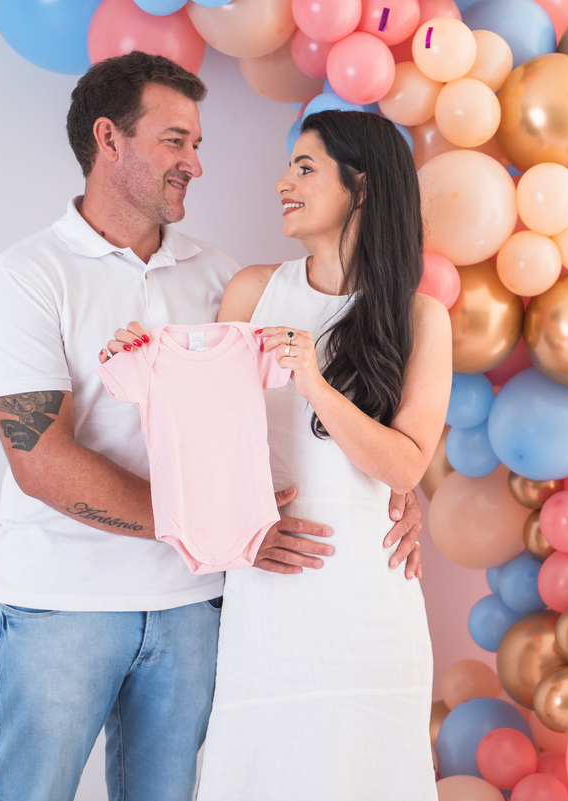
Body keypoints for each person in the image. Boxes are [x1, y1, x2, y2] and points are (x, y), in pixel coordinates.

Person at [0, 53, 422, 801]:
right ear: (109, 139)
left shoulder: (221, 278)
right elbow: (40, 461)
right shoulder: (28, 276)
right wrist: (226, 529)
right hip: (65, 602)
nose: (196, 164)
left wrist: (396, 490)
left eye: (199, 144)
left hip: (196, 606)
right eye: (175, 141)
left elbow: (287, 420)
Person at [104, 110, 451, 798]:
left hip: (371, 604)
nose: (282, 184)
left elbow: (406, 465)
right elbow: (204, 442)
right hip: (270, 604)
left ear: (362, 187)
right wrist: (145, 366)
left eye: (305, 168)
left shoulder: (419, 319)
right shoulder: (254, 292)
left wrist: (316, 384)